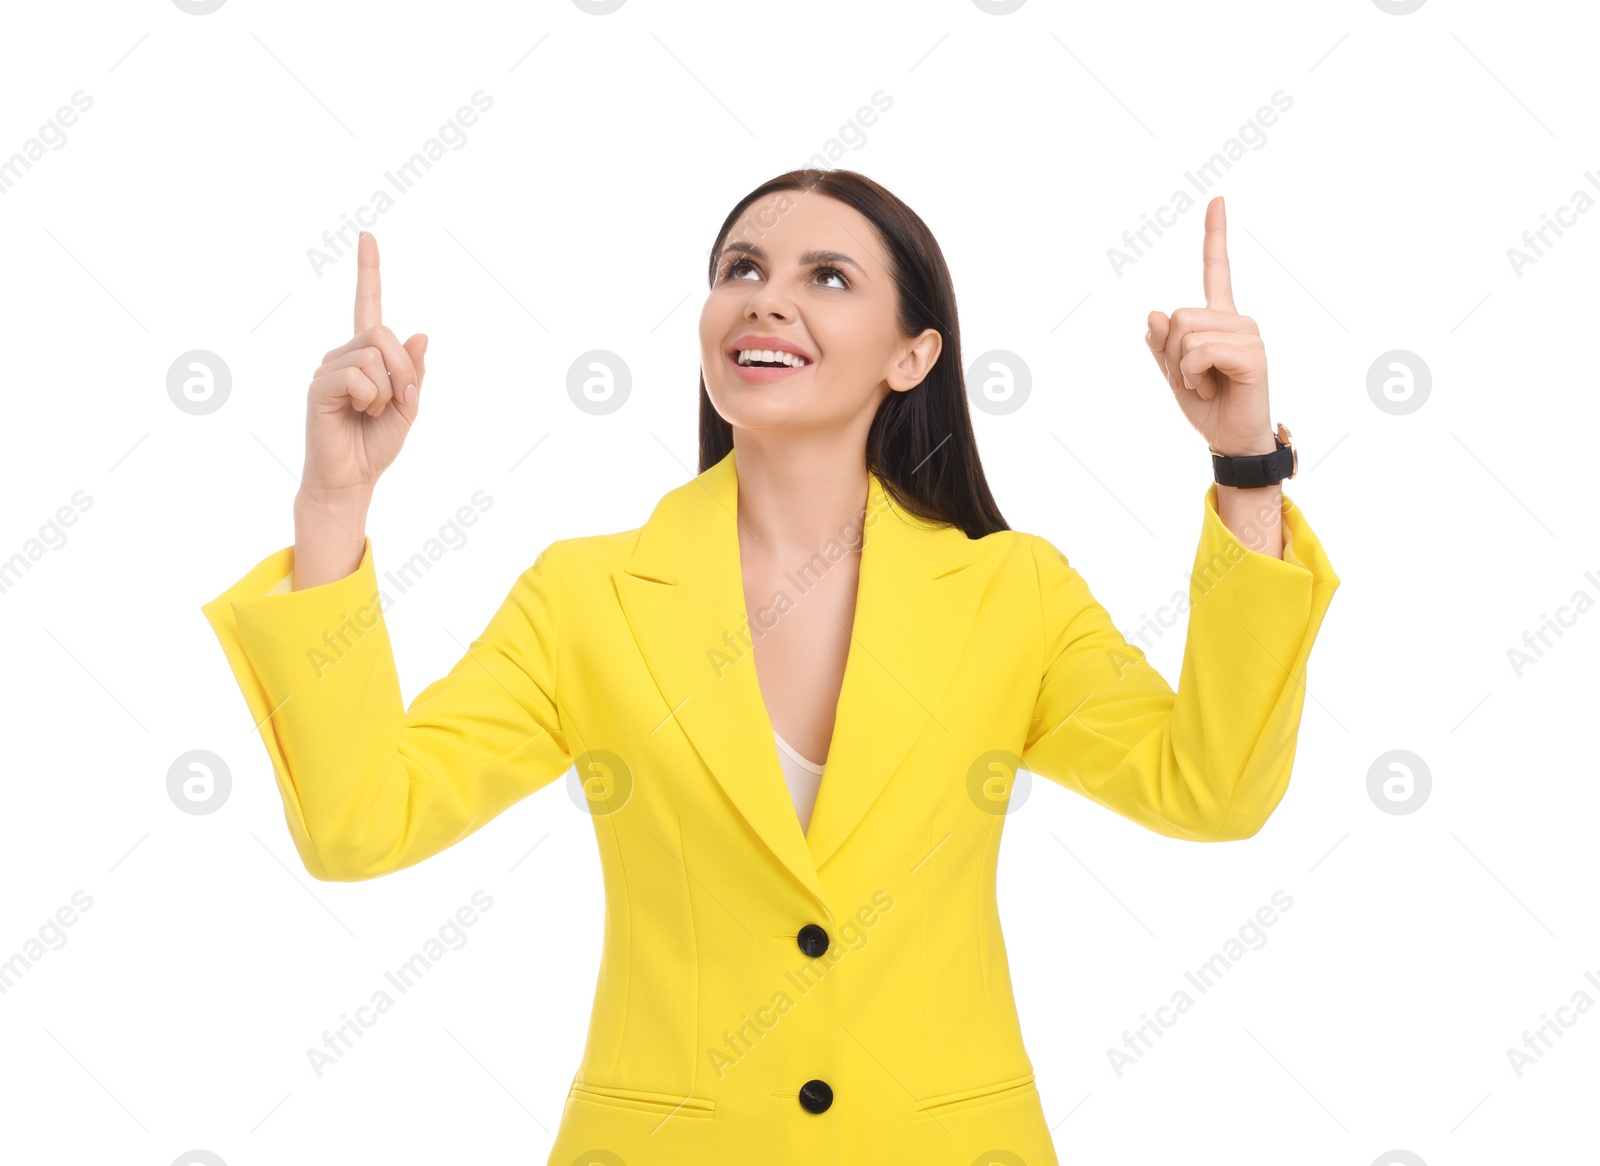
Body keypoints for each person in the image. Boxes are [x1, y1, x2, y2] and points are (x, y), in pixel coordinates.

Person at [201, 168, 1339, 1165]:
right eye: (741, 266)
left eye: (828, 276)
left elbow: (1214, 789)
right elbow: (356, 824)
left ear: (914, 353)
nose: (767, 295)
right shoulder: (585, 595)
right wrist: (333, 502)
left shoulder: (1012, 593)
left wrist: (1246, 468)